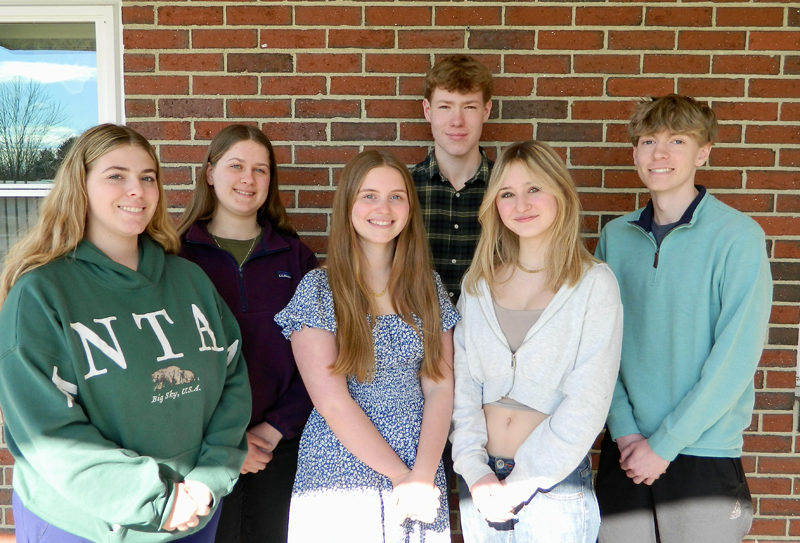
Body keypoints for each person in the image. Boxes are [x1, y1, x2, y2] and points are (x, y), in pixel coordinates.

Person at [0, 124, 251, 543]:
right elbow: (48, 434)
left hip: (194, 511)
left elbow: (233, 383)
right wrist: (158, 499)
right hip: (88, 525)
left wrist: (209, 478)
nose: (136, 190)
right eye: (116, 175)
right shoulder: (41, 293)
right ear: (79, 186)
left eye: (147, 177)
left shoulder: (189, 280)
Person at [594, 94, 773, 543]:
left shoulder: (738, 237)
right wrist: (626, 432)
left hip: (702, 452)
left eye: (677, 140)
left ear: (704, 151)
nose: (660, 153)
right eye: (649, 140)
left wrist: (664, 445)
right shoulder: (615, 238)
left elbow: (735, 358)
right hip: (626, 452)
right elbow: (599, 347)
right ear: (634, 152)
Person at [274, 150, 459, 542]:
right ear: (349, 205)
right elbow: (332, 402)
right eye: (369, 195)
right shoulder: (319, 290)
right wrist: (400, 477)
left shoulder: (428, 286)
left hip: (420, 454)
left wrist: (422, 476)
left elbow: (440, 385)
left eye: (396, 196)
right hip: (341, 464)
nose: (383, 207)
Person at [450, 140, 622, 542]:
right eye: (507, 193)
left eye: (534, 189)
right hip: (482, 482)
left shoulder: (593, 284)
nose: (520, 203)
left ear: (560, 192)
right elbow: (463, 388)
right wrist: (475, 472)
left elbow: (589, 399)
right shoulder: (477, 284)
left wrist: (524, 482)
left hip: (553, 484)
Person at [177, 124, 317, 543]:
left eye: (261, 170)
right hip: (197, 452)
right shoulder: (175, 256)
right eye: (236, 165)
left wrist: (273, 429)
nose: (248, 179)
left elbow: (320, 363)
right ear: (209, 172)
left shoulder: (295, 256)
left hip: (281, 445)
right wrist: (226, 443)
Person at [411, 54, 494, 303]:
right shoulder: (402, 190)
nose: (457, 121)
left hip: (490, 338)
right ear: (428, 110)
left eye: (469, 107)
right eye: (445, 106)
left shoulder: (508, 190)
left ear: (486, 111)